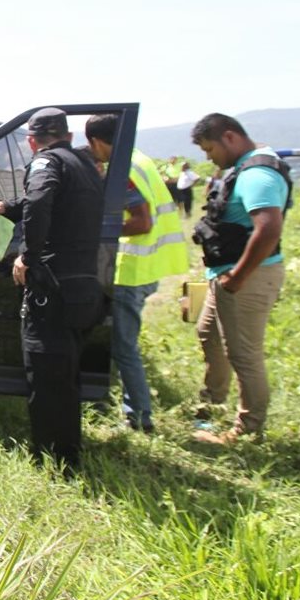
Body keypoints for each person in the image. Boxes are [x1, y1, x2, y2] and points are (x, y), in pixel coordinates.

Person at [0, 107, 104, 470]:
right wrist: (8, 208)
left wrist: (28, 256)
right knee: (66, 374)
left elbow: (41, 200)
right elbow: (53, 202)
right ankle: (69, 448)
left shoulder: (45, 162)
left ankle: (55, 461)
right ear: (68, 135)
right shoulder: (85, 165)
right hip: (84, 283)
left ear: (32, 141)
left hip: (51, 286)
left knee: (46, 372)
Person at [189, 113, 290, 444]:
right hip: (227, 274)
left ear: (229, 137)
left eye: (210, 149)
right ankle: (213, 401)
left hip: (247, 277)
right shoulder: (241, 167)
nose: (208, 157)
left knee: (243, 354)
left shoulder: (257, 174)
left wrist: (237, 277)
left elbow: (269, 228)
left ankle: (247, 430)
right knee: (208, 333)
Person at [85, 114, 189, 433]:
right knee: (121, 344)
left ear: (97, 142)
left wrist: (95, 230)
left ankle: (140, 417)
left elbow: (142, 222)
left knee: (123, 348)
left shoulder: (124, 168)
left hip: (133, 271)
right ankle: (108, 403)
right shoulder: (140, 158)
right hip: (147, 268)